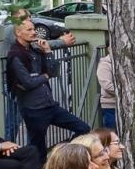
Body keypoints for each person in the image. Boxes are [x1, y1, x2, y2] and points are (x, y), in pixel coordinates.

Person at [6, 17, 90, 160]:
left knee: (83, 128)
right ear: (18, 33)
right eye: (29, 30)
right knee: (38, 150)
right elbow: (28, 83)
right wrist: (45, 76)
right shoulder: (15, 55)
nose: (34, 32)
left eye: (34, 29)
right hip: (33, 109)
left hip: (50, 105)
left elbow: (54, 71)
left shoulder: (36, 50)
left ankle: (63, 155)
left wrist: (48, 51)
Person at [95, 52, 117, 130]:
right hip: (110, 105)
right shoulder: (104, 65)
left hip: (122, 103)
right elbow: (107, 86)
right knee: (111, 133)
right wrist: (124, 93)